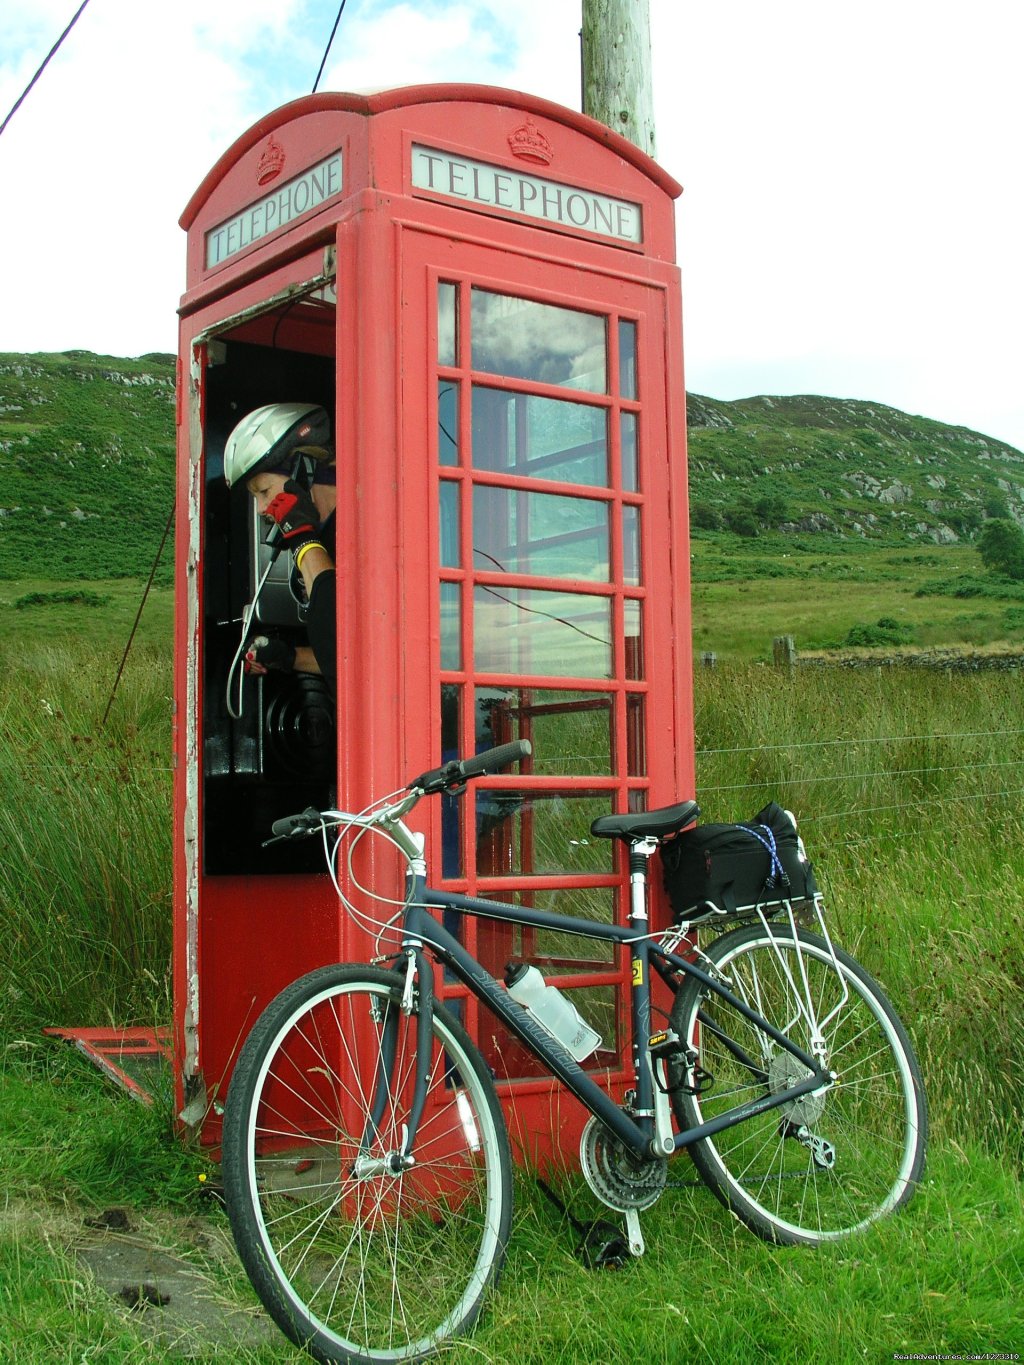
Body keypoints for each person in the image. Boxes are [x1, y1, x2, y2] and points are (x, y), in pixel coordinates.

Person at [223, 402, 337, 688]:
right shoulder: (325, 540)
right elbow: (338, 656)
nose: (262, 508)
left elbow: (339, 647)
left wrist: (303, 541)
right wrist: (288, 657)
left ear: (301, 473)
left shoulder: (363, 533)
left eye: (264, 491)